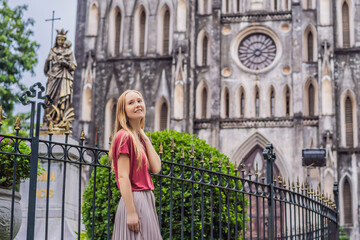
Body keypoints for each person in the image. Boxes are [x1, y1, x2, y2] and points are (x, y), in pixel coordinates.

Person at [109, 90, 163, 239]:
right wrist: (131, 212)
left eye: (140, 101)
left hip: (146, 199)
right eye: (131, 103)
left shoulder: (137, 138)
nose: (137, 105)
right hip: (135, 198)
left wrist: (144, 137)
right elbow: (122, 176)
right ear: (123, 111)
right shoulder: (124, 136)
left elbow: (156, 168)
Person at [43, 29, 77, 127]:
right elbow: (45, 71)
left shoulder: (69, 52)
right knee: (49, 98)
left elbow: (73, 66)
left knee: (62, 100)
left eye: (63, 40)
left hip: (64, 77)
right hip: (53, 77)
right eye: (59, 40)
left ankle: (60, 120)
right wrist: (47, 61)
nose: (61, 42)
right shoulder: (52, 51)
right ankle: (48, 120)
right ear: (56, 40)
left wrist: (65, 63)